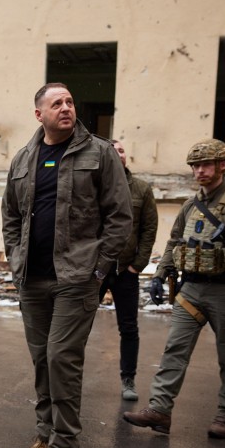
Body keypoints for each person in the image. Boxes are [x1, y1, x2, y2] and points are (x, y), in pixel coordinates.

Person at [2, 83, 131, 448]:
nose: (66, 108)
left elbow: (120, 216)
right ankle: (44, 436)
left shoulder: (100, 153)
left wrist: (99, 270)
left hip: (76, 279)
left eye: (70, 101)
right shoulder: (24, 158)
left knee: (62, 359)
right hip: (32, 279)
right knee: (42, 361)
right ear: (38, 113)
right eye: (56, 103)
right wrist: (15, 259)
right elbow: (10, 215)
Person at [124, 139, 225, 440]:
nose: (199, 171)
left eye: (206, 164)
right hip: (191, 289)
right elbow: (175, 241)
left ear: (222, 165)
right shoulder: (191, 205)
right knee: (174, 351)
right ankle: (159, 410)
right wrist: (160, 273)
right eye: (195, 165)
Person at [99, 140, 158, 401]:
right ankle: (70, 378)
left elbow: (149, 229)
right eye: (111, 151)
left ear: (126, 156)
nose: (117, 154)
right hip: (96, 269)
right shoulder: (94, 187)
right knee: (78, 324)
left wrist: (138, 264)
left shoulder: (142, 189)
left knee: (129, 327)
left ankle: (128, 379)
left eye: (120, 150)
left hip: (126, 271)